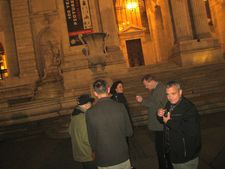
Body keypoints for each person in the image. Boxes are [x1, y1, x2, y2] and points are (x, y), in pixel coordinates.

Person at [86, 79, 133, 169]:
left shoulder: (90, 112)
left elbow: (91, 138)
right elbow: (129, 132)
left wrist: (93, 152)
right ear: (108, 90)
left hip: (104, 158)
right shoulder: (120, 106)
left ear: (95, 93)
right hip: (121, 155)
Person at [157, 81, 201, 169]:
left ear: (180, 92)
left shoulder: (188, 108)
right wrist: (159, 115)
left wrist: (169, 122)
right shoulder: (169, 104)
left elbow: (191, 131)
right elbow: (165, 120)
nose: (170, 97)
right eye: (168, 94)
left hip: (185, 155)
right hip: (173, 150)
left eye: (173, 93)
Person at [135, 74, 172, 169]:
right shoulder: (155, 89)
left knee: (162, 148)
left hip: (160, 125)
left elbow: (155, 104)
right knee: (160, 147)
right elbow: (152, 101)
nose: (145, 86)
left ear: (151, 81)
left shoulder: (160, 88)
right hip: (157, 123)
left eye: (146, 84)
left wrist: (142, 100)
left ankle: (165, 165)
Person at [69, 94, 97, 169]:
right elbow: (87, 138)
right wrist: (94, 151)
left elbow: (70, 132)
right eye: (90, 103)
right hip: (88, 154)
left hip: (80, 152)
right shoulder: (84, 118)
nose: (91, 105)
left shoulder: (74, 115)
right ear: (86, 104)